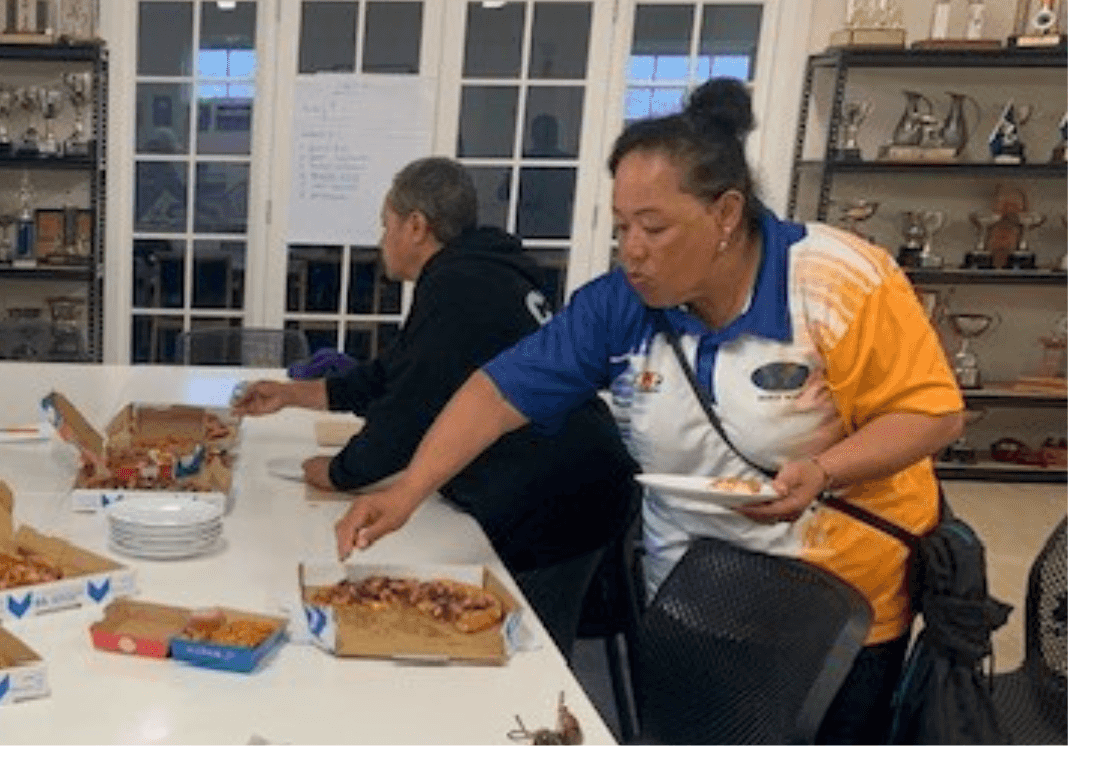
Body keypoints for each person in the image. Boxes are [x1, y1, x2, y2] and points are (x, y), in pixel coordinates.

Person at [336, 78, 965, 744]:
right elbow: (497, 393)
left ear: (726, 214)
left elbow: (930, 415)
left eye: (654, 227)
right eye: (622, 227)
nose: (631, 248)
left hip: (836, 613)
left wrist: (824, 468)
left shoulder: (837, 279)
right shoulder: (623, 302)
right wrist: (408, 490)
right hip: (688, 599)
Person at [233, 157, 635, 653]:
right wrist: (292, 395)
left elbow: (408, 411)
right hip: (580, 479)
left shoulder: (458, 286)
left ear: (416, 226)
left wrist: (340, 473)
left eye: (386, 226)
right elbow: (394, 374)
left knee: (523, 655)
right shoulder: (483, 274)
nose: (382, 240)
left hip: (556, 498)